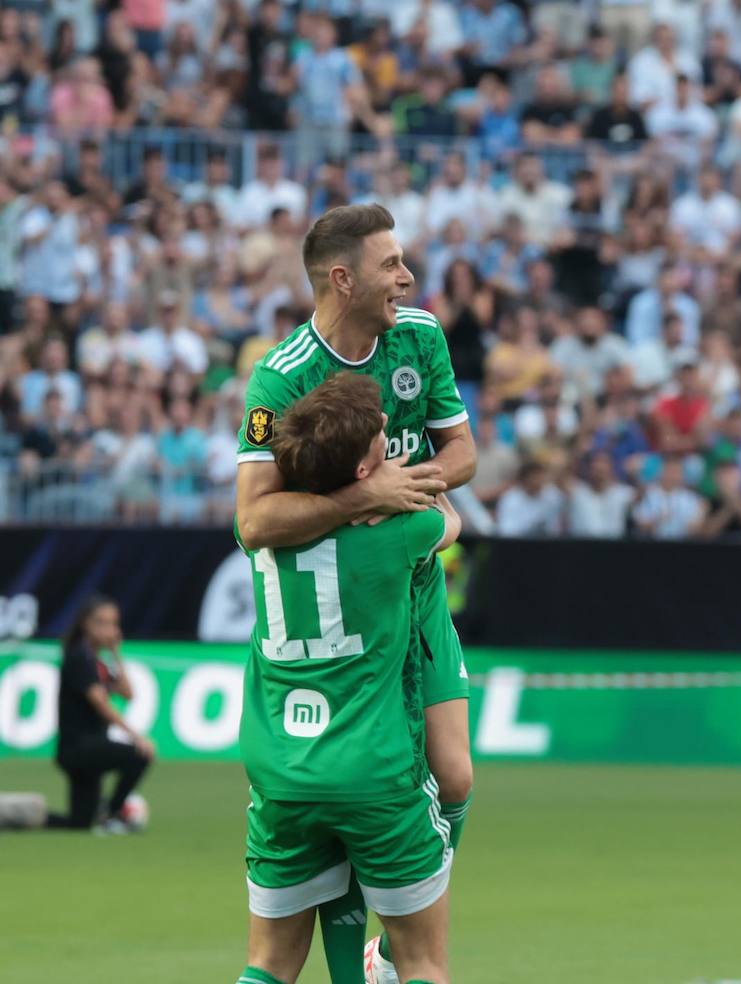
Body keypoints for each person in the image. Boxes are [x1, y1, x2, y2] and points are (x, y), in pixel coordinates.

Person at [234, 204, 477, 984]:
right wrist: (364, 507)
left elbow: (463, 450)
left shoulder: (421, 336)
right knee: (364, 796)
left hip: (414, 586)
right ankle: (375, 959)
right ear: (343, 278)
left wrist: (405, 489)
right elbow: (254, 518)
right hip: (350, 596)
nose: (406, 277)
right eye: (391, 264)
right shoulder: (280, 375)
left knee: (458, 777)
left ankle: (383, 944)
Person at [43, 595, 154, 832]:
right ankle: (112, 812)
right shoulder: (79, 658)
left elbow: (127, 693)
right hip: (79, 748)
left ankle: (30, 817)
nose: (109, 630)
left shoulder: (98, 662)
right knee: (139, 756)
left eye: (113, 624)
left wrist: (116, 653)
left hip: (86, 748)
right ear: (85, 624)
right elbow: (101, 704)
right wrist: (137, 737)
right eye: (101, 623)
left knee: (79, 824)